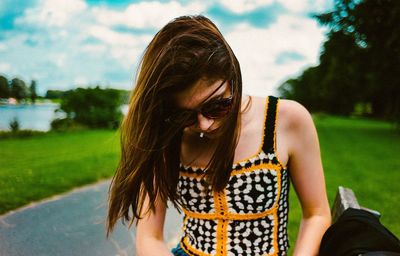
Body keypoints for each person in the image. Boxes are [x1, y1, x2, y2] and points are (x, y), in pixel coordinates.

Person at [106, 15, 331, 256]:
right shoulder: (167, 134)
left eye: (217, 105)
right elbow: (149, 237)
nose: (205, 125)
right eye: (186, 115)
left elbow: (316, 213)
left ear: (233, 79)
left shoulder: (286, 120)